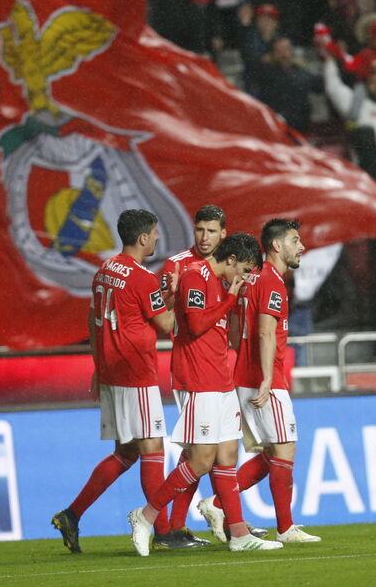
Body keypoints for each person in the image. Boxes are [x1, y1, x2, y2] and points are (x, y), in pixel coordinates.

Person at [127, 234, 281, 556]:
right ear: (231, 259)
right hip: (198, 380)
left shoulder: (219, 281)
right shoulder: (196, 276)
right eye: (245, 269)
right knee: (200, 460)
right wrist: (229, 298)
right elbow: (195, 325)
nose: (246, 277)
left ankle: (238, 534)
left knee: (227, 457)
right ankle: (147, 515)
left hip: (220, 380)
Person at [52, 209, 176, 554]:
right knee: (153, 449)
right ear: (142, 239)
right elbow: (165, 324)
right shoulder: (142, 278)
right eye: (153, 233)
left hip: (112, 373)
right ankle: (163, 530)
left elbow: (95, 319)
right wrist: (176, 297)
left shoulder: (105, 271)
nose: (156, 238)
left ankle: (71, 514)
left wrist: (97, 365)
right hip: (136, 374)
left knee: (125, 452)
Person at [198, 219, 321, 544]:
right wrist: (267, 377)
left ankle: (218, 502)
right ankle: (284, 527)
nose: (302, 246)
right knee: (284, 449)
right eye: (296, 240)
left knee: (273, 452)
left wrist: (243, 363)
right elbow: (266, 330)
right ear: (277, 245)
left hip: (245, 374)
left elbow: (237, 326)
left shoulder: (251, 279)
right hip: (265, 378)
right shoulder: (272, 282)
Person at [153, 204, 229, 549]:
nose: (204, 237)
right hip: (190, 368)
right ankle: (167, 523)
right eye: (200, 230)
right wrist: (169, 293)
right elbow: (159, 315)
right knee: (197, 454)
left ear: (223, 233)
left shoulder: (226, 265)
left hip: (216, 368)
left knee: (204, 454)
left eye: (211, 231)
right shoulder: (175, 265)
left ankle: (185, 525)